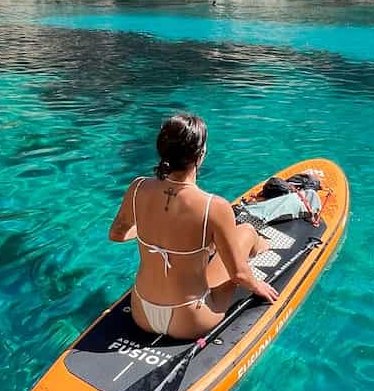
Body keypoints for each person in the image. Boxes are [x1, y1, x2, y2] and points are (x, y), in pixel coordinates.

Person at [108, 112, 277, 339]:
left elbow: (117, 234)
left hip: (141, 313)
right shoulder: (213, 207)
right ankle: (266, 247)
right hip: (190, 320)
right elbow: (238, 274)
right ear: (201, 154)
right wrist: (258, 287)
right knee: (245, 231)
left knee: (208, 248)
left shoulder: (137, 188)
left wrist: (155, 227)